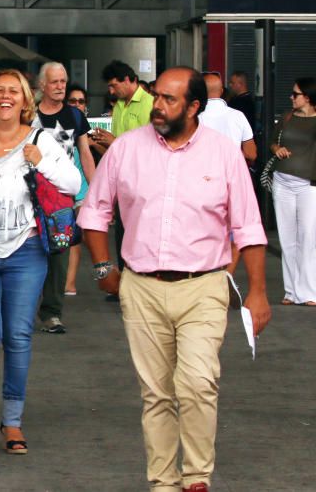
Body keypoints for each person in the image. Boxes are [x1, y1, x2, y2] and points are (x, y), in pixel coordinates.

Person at [78, 67, 271, 492]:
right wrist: (102, 267)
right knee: (157, 394)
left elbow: (250, 227)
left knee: (198, 383)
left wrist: (257, 292)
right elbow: (94, 212)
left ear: (194, 106)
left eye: (168, 100)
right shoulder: (127, 149)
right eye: (156, 97)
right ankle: (163, 483)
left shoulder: (223, 154)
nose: (158, 107)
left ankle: (197, 477)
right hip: (142, 287)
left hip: (204, 284)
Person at [0, 69, 80, 455]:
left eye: (14, 92)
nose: (6, 97)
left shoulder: (41, 138)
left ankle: (12, 419)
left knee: (18, 336)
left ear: (26, 100)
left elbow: (74, 184)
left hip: (25, 251)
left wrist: (41, 161)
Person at [31, 63, 95, 333]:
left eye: (63, 81)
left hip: (62, 197)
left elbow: (85, 154)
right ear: (43, 85)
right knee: (30, 251)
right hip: (31, 193)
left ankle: (52, 313)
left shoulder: (76, 116)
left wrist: (94, 191)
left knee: (59, 255)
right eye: (55, 82)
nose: (60, 86)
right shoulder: (28, 116)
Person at [270, 77, 316, 307]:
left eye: (295, 94)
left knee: (307, 237)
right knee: (287, 239)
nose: (291, 97)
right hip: (283, 181)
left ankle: (308, 293)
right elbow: (272, 141)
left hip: (310, 184)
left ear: (307, 97)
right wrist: (278, 149)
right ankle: (291, 291)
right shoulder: (287, 118)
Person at [90, 60, 154, 280]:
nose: (111, 90)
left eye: (114, 85)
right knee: (121, 231)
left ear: (129, 80)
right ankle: (124, 279)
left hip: (144, 177)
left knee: (141, 229)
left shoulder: (149, 104)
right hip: (122, 177)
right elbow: (117, 149)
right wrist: (97, 142)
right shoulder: (118, 105)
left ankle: (140, 276)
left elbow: (150, 146)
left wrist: (113, 140)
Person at [198, 72, 257, 275]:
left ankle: (206, 273)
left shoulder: (195, 118)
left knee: (204, 231)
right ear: (222, 91)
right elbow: (251, 152)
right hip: (233, 181)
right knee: (235, 231)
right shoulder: (237, 116)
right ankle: (227, 275)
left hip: (200, 181)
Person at [63, 83, 91, 295]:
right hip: (59, 189)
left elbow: (88, 155)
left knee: (75, 238)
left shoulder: (83, 126)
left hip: (82, 188)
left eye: (80, 101)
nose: (77, 105)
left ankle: (69, 283)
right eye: (72, 101)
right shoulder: (57, 123)